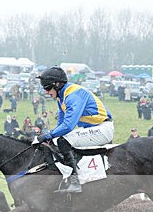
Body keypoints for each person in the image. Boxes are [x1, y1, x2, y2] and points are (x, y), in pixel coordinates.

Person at [35, 66, 114, 194]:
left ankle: (75, 182)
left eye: (48, 88)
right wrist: (50, 137)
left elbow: (68, 126)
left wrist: (47, 135)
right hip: (94, 129)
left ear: (57, 84)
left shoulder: (73, 95)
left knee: (63, 141)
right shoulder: (62, 97)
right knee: (56, 140)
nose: (46, 92)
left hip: (103, 129)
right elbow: (61, 124)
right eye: (44, 89)